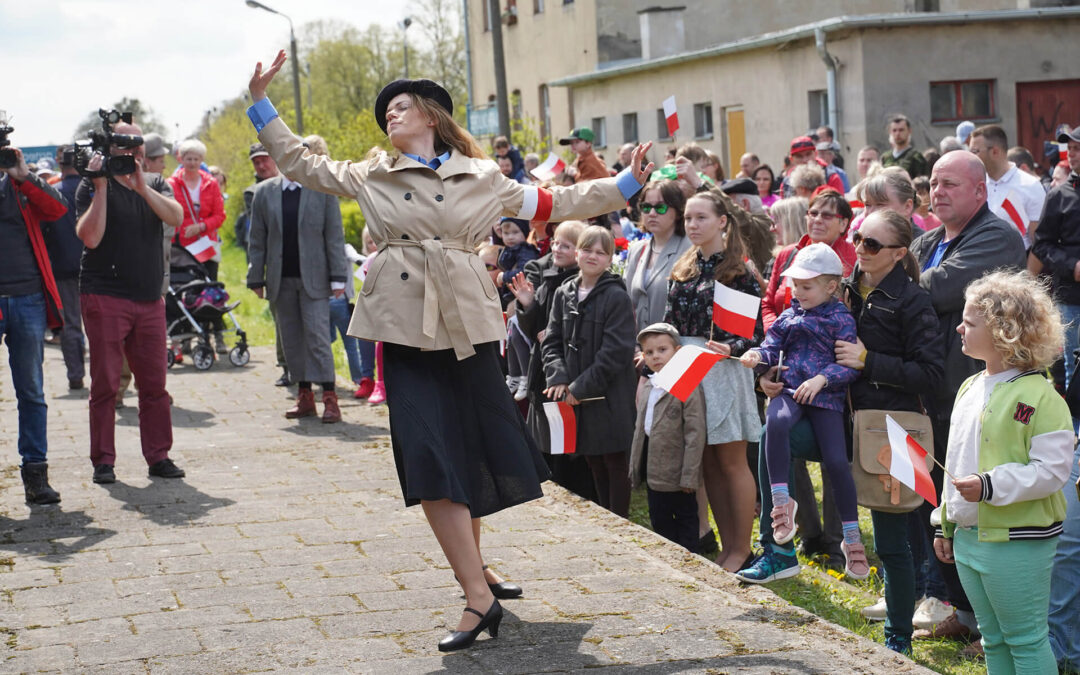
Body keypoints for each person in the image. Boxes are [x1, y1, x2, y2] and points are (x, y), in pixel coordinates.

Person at [247, 52, 652, 651]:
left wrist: (625, 183)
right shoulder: (371, 172)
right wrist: (261, 103)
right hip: (405, 327)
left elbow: (555, 204)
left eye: (402, 104)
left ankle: (475, 572)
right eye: (386, 109)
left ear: (432, 116)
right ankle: (476, 595)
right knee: (431, 460)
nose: (391, 112)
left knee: (468, 451)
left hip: (466, 325)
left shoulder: (483, 176)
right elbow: (301, 163)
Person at [908, 149, 1026, 647]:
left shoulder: (996, 235)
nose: (938, 192)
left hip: (982, 390)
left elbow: (936, 290)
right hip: (929, 386)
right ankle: (954, 605)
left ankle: (994, 622)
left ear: (980, 190)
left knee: (971, 500)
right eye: (933, 183)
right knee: (932, 500)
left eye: (950, 184)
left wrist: (893, 284)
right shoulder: (926, 239)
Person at [934, 271, 1073, 674]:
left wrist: (990, 486)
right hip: (969, 537)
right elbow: (956, 461)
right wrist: (945, 523)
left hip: (1017, 541)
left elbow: (1051, 471)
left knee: (1026, 640)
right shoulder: (970, 386)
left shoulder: (1041, 397)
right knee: (993, 640)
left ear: (1004, 331)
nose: (959, 328)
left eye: (970, 323)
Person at [836, 209, 946, 654]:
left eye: (873, 244)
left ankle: (898, 635)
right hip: (842, 419)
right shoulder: (843, 288)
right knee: (774, 441)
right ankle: (778, 547)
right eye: (859, 238)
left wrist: (868, 362)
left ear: (900, 254)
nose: (861, 248)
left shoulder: (913, 300)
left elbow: (932, 373)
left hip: (896, 431)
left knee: (892, 541)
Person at [740, 243, 866, 578]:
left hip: (825, 399)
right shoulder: (789, 315)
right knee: (775, 423)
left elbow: (850, 367)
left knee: (838, 461)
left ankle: (852, 538)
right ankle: (782, 504)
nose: (798, 292)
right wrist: (758, 359)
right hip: (789, 390)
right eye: (794, 285)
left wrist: (824, 379)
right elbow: (770, 347)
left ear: (830, 287)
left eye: (806, 286)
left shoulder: (841, 318)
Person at [75, 121, 186, 484]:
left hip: (149, 298)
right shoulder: (90, 184)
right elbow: (90, 238)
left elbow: (176, 217)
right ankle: (103, 461)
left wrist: (141, 185)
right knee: (106, 383)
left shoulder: (153, 182)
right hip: (105, 296)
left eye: (137, 144)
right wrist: (103, 186)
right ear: (110, 147)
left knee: (154, 384)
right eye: (124, 145)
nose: (133, 151)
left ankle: (159, 456)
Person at [664, 190, 763, 572]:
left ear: (722, 221)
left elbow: (756, 332)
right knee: (706, 461)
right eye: (688, 218)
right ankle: (726, 547)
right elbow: (670, 320)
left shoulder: (739, 270)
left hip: (724, 369)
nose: (692, 225)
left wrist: (731, 345)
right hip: (688, 366)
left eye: (701, 217)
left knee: (731, 461)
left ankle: (742, 548)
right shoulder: (685, 267)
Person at [246, 132, 349, 424]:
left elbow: (334, 235)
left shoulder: (321, 190)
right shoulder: (264, 192)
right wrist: (256, 277)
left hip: (315, 279)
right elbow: (257, 239)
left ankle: (329, 397)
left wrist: (338, 276)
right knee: (291, 339)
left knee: (317, 337)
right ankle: (304, 396)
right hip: (280, 278)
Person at [542, 226, 638, 517]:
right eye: (587, 249)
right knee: (592, 458)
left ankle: (620, 520)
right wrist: (558, 377)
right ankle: (606, 517)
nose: (592, 256)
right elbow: (553, 340)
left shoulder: (616, 297)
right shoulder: (564, 292)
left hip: (609, 395)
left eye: (601, 252)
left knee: (613, 460)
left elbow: (615, 352)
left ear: (610, 259)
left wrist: (580, 388)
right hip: (575, 393)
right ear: (577, 252)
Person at [0, 142, 67, 504]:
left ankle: (36, 475)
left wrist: (23, 176)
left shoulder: (20, 184)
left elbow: (58, 210)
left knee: (31, 391)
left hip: (27, 298)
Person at [509, 220, 591, 499]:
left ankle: (575, 490)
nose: (556, 248)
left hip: (570, 368)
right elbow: (534, 330)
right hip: (543, 367)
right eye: (555, 242)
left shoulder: (583, 280)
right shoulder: (544, 274)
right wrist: (527, 305)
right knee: (547, 434)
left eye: (565, 245)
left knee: (569, 438)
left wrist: (557, 333)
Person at [629, 322, 706, 552]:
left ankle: (689, 559)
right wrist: (635, 469)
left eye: (663, 350)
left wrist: (689, 476)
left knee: (686, 520)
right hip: (654, 474)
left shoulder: (687, 386)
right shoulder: (649, 386)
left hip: (679, 475)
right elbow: (640, 430)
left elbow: (695, 433)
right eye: (649, 353)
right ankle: (670, 559)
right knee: (660, 520)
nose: (656, 357)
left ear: (678, 352)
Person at [762, 189, 856, 330]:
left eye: (827, 215)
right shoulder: (788, 254)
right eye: (813, 213)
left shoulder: (855, 259)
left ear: (843, 224)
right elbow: (768, 304)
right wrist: (774, 332)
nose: (817, 220)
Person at [42, 145, 86, 391]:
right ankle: (109, 376)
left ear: (60, 166)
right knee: (102, 324)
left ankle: (76, 374)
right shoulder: (94, 191)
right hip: (96, 266)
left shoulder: (52, 193)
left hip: (62, 266)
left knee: (70, 324)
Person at [622, 179, 691, 332]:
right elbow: (627, 305)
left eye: (660, 207)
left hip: (676, 347)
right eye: (646, 207)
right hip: (640, 348)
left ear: (678, 211)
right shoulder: (636, 250)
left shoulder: (691, 249)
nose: (652, 213)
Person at [969, 125, 1046, 251]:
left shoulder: (1030, 186)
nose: (971, 157)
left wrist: (1028, 271)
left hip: (1015, 267)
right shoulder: (975, 185)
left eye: (975, 151)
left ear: (995, 151)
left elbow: (1039, 244)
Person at [496, 217, 539, 400]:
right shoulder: (508, 250)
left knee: (518, 337)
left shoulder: (526, 250)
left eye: (515, 232)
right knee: (511, 338)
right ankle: (514, 375)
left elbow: (524, 271)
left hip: (522, 298)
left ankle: (524, 375)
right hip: (511, 298)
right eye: (506, 233)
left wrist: (504, 275)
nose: (510, 237)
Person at [170, 139, 226, 279]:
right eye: (189, 159)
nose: (193, 163)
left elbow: (220, 215)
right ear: (181, 160)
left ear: (202, 160)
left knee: (209, 285)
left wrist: (201, 226)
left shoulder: (211, 183)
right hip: (180, 247)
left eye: (196, 159)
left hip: (206, 244)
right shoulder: (171, 184)